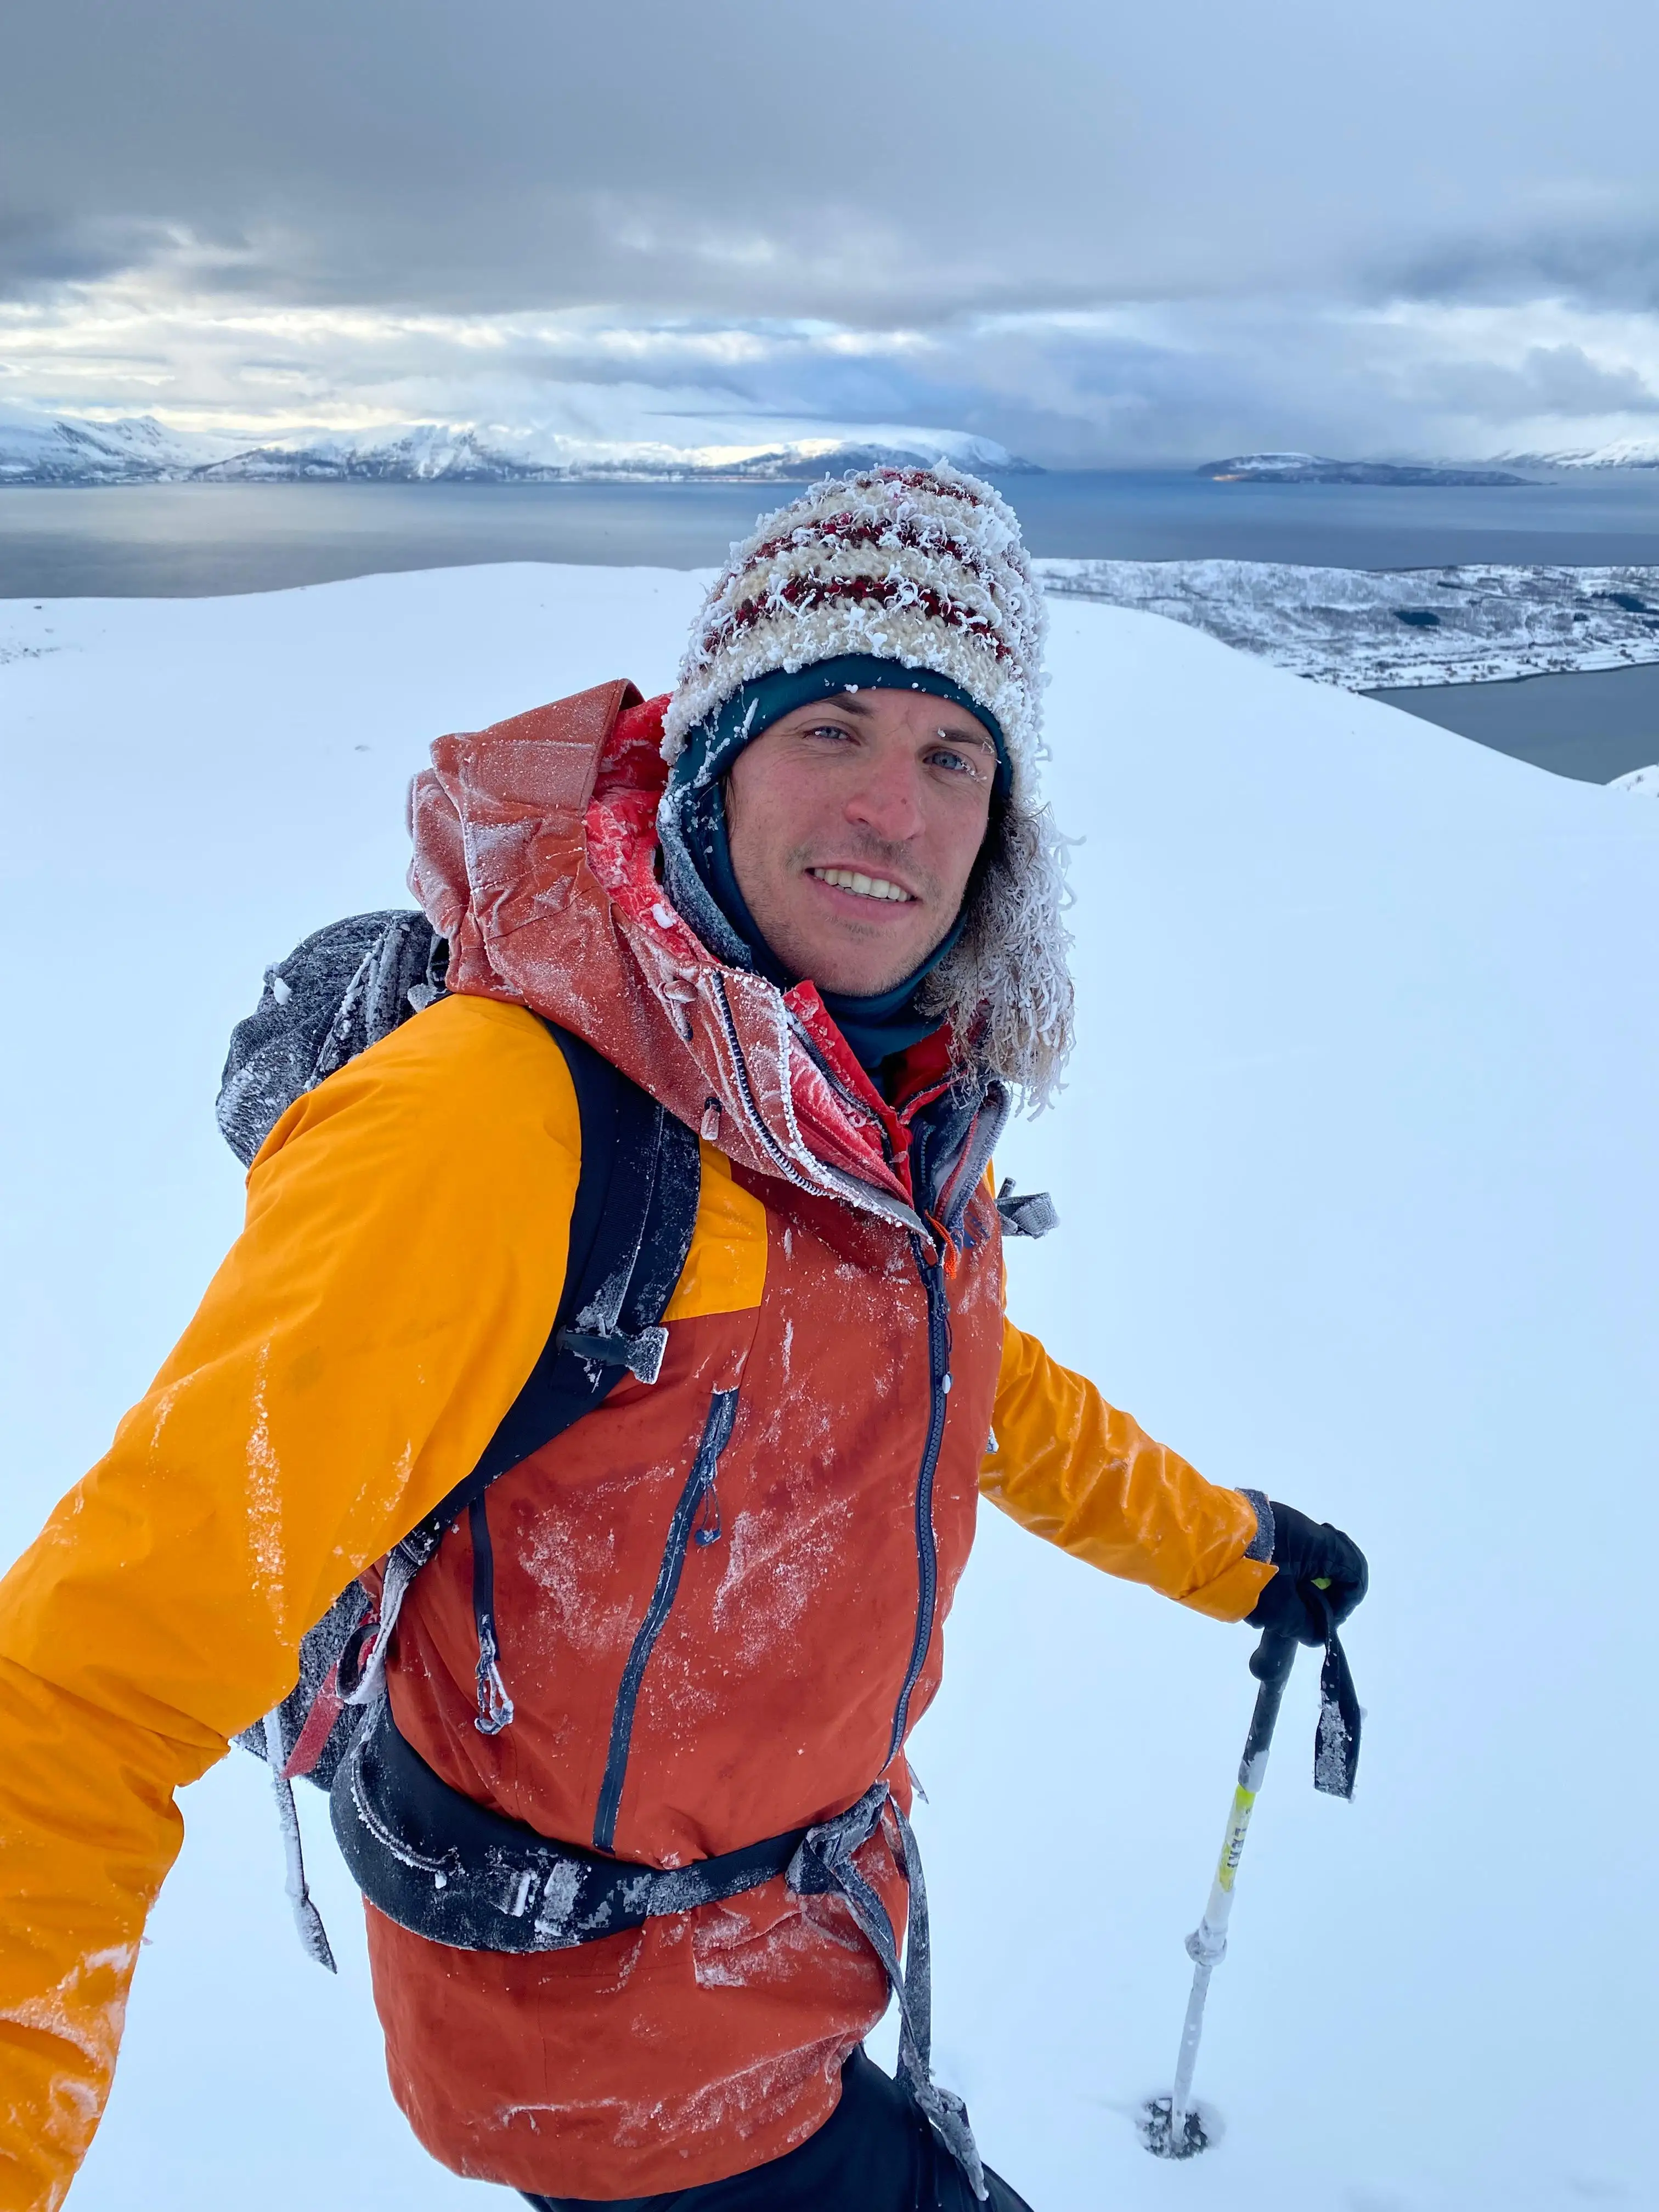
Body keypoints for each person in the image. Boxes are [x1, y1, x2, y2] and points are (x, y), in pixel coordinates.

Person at [0, 465, 1367, 2212]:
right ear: (713, 760)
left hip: (780, 1990)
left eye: (956, 756)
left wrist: (1243, 1558)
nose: (893, 808)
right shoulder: (502, 1123)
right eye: (833, 728)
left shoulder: (872, 1120)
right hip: (603, 2071)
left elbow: (971, 1391)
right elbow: (76, 1694)